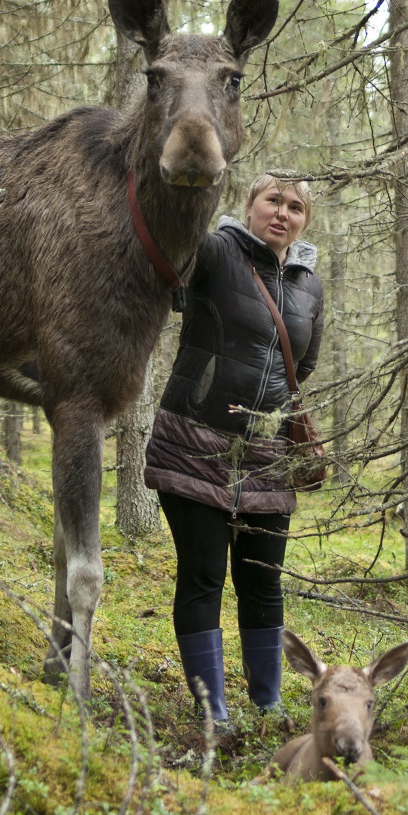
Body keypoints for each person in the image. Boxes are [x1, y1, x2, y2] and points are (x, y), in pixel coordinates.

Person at [144, 172, 324, 722]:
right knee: (203, 576)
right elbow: (170, 264)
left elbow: (307, 361)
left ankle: (266, 703)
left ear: (303, 222)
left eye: (295, 207)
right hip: (195, 441)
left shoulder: (309, 284)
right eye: (273, 200)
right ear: (249, 206)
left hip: (267, 458)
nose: (282, 213)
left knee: (262, 582)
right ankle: (212, 708)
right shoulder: (217, 251)